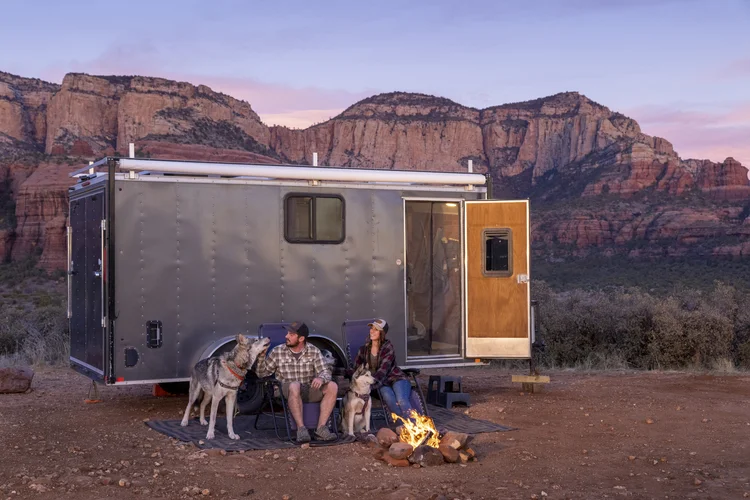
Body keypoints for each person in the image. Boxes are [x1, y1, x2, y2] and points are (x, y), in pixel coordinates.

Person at [255, 321, 338, 442]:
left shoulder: (313, 351)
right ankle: (301, 429)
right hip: (286, 390)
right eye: (288, 333)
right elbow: (262, 374)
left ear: (301, 338)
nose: (286, 336)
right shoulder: (278, 351)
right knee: (295, 385)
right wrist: (261, 356)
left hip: (307, 389)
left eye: (291, 334)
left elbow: (325, 371)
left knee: (332, 386)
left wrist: (321, 378)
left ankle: (321, 429)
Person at [352, 319, 414, 420]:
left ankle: (415, 426)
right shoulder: (363, 350)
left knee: (401, 400)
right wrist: (338, 371)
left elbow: (382, 372)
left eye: (376, 329)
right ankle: (404, 425)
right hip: (381, 383)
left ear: (382, 333)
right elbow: (356, 371)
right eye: (371, 328)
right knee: (389, 399)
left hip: (396, 378)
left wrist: (369, 386)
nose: (372, 331)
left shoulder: (388, 348)